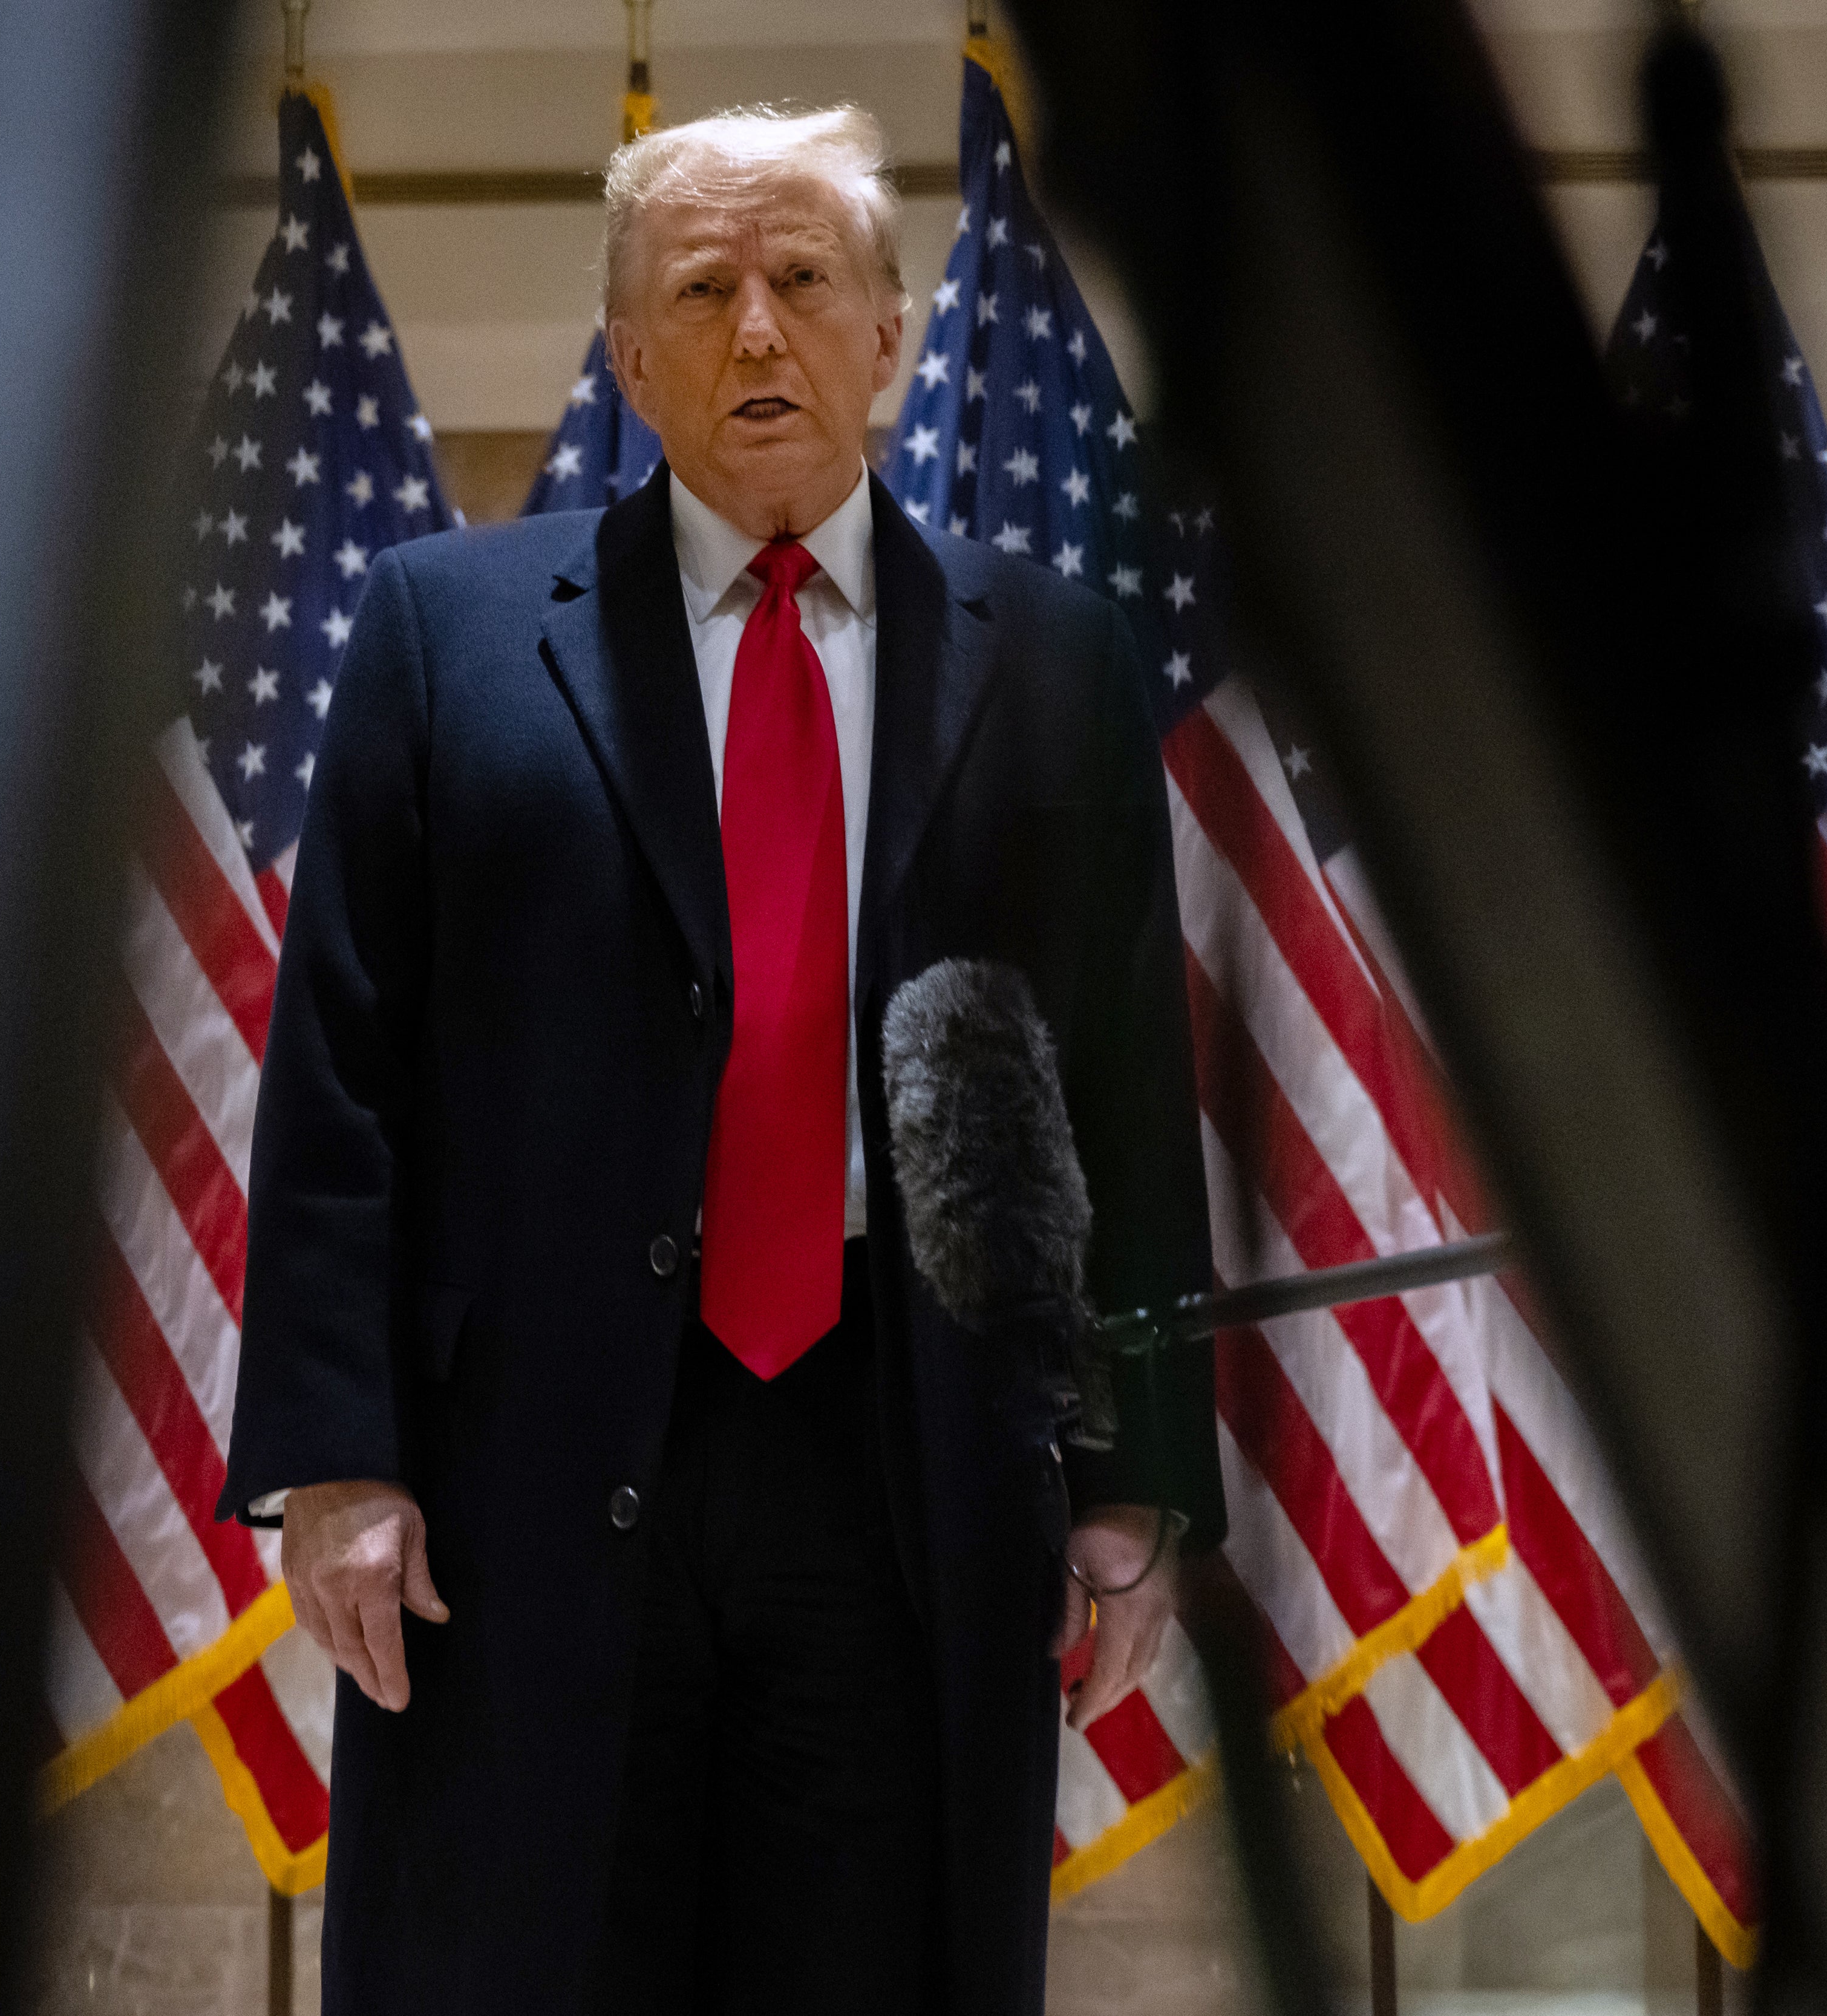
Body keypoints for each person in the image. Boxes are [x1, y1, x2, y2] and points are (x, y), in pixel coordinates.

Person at [218, 102, 1220, 2016]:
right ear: (628, 353)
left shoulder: (1059, 655)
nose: (758, 331)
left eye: (803, 282)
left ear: (890, 333)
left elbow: (1118, 1085)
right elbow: (339, 1063)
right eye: (702, 289)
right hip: (531, 1467)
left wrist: (1130, 1467)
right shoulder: (447, 632)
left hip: (909, 1457)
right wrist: (338, 1458)